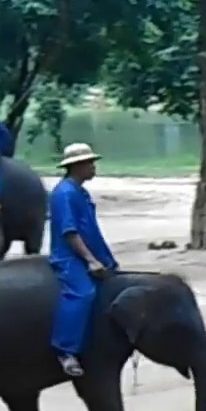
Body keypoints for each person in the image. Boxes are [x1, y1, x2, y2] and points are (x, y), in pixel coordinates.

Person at [48, 143, 119, 378]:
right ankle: (65, 350)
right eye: (89, 163)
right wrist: (90, 260)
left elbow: (91, 229)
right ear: (76, 166)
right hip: (69, 256)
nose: (93, 167)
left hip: (90, 251)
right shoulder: (64, 193)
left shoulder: (81, 192)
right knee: (82, 293)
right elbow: (70, 232)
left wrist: (105, 259)